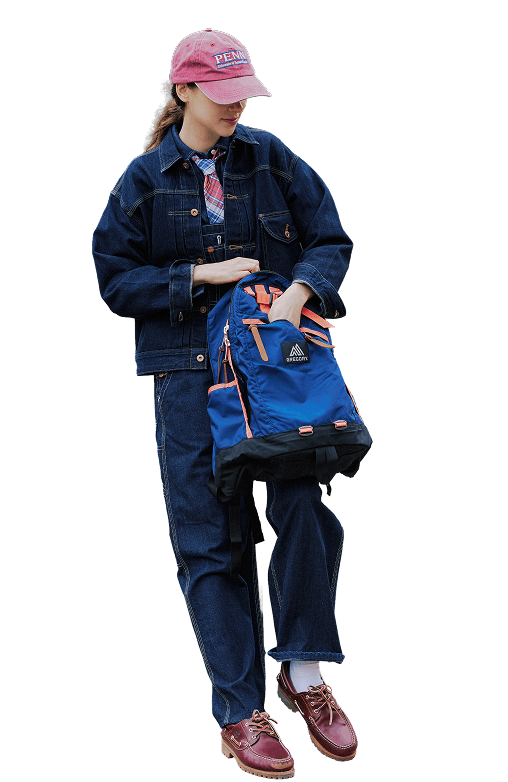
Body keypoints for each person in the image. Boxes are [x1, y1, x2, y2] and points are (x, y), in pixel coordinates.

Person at [92, 28, 358, 778]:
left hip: (272, 367)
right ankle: (241, 712)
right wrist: (199, 277)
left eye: (243, 91)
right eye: (220, 92)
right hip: (185, 373)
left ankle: (303, 673)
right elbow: (114, 280)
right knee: (210, 540)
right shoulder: (143, 180)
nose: (236, 105)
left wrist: (300, 291)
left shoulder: (270, 157)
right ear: (183, 91)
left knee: (302, 505)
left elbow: (330, 237)